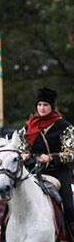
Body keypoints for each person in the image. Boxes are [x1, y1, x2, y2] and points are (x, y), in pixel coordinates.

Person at [18, 88, 74, 234]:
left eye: (46, 105)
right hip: (33, 171)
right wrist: (24, 154)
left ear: (52, 107)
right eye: (40, 105)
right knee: (12, 199)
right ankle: (3, 239)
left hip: (58, 172)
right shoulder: (28, 126)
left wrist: (50, 157)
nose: (42, 108)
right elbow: (22, 146)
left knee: (69, 206)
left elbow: (71, 153)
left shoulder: (65, 127)